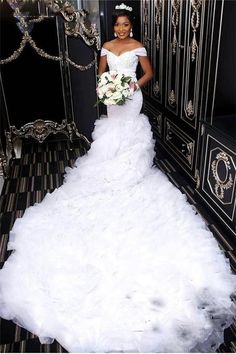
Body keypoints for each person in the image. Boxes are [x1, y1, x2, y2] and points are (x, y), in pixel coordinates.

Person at [0, 3, 235, 353]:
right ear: (113, 27)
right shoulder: (107, 47)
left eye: (127, 25)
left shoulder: (138, 46)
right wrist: (110, 87)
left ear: (131, 26)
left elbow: (148, 74)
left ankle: (132, 172)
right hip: (114, 100)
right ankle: (112, 172)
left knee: (132, 135)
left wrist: (130, 86)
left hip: (132, 97)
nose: (123, 30)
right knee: (112, 134)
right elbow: (100, 76)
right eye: (119, 26)